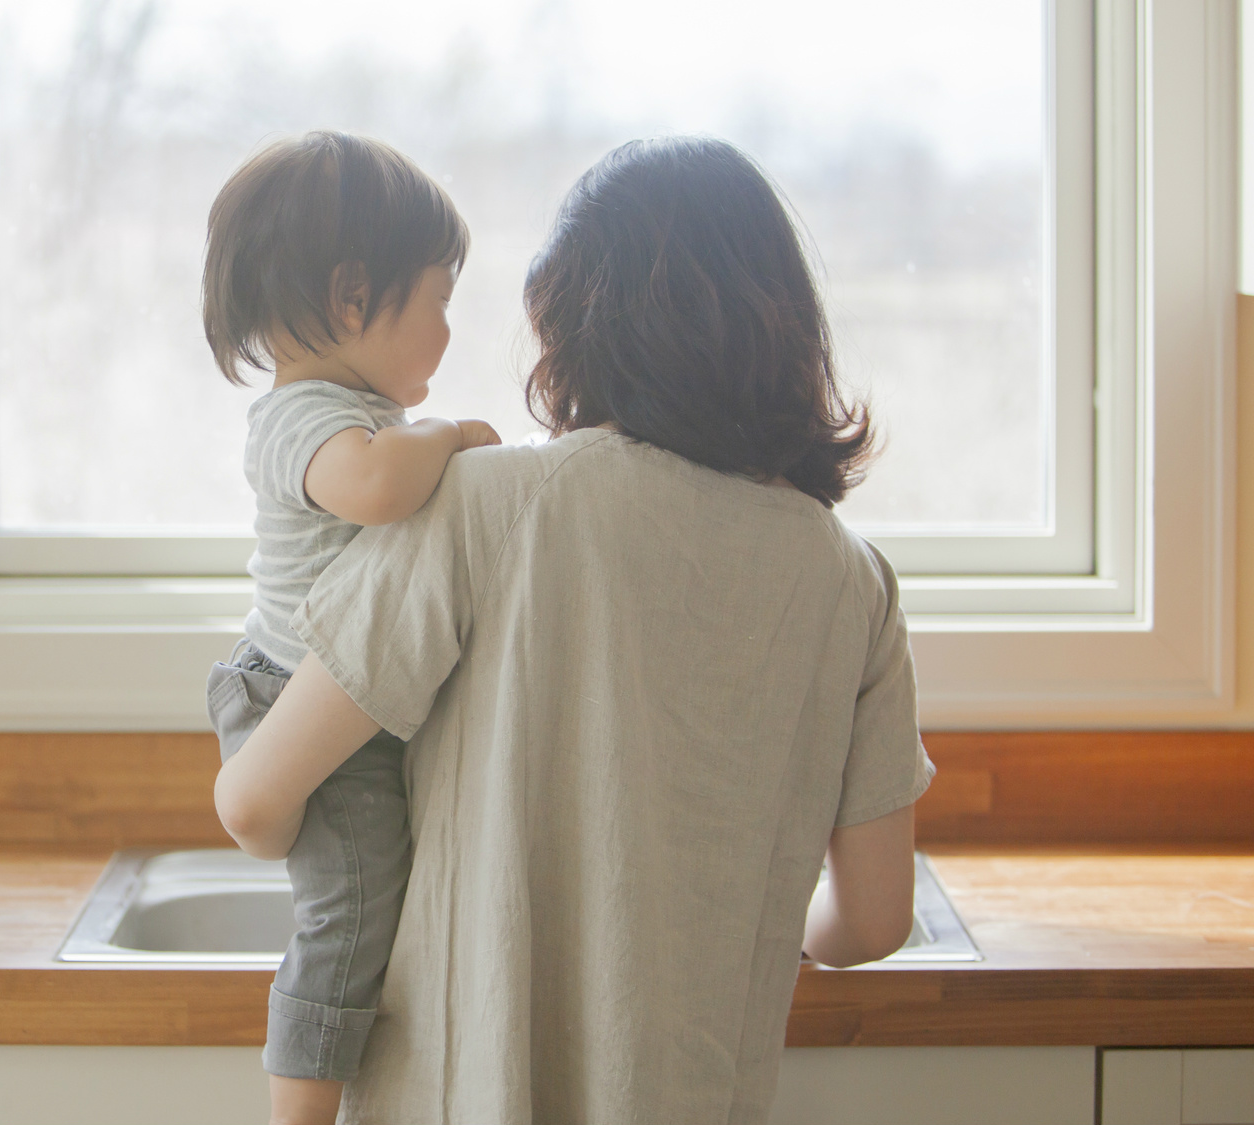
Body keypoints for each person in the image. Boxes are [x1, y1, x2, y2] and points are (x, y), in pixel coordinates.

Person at [215, 136, 933, 1125]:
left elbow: (257, 789)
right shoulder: (851, 580)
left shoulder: (488, 501)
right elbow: (872, 920)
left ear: (573, 326)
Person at [199, 130, 502, 1125]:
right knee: (348, 919)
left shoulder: (346, 412)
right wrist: (447, 435)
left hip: (337, 714)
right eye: (439, 300)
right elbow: (372, 490)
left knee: (373, 908)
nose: (449, 331)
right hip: (295, 706)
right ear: (350, 298)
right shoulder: (303, 418)